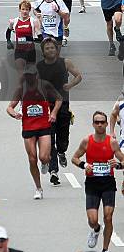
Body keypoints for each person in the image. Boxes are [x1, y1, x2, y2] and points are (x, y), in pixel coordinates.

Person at [71, 110, 124, 252]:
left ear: (107, 124)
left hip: (108, 183)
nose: (100, 124)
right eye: (97, 122)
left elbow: (123, 160)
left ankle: (105, 251)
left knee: (108, 216)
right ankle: (95, 229)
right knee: (93, 219)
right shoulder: (86, 141)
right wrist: (84, 165)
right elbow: (74, 158)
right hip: (92, 184)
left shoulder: (112, 142)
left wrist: (118, 165)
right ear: (93, 124)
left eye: (102, 122)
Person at [7, 68, 62, 199]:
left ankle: (45, 163)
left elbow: (59, 98)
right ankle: (38, 188)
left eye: (31, 75)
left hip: (44, 126)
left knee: (43, 157)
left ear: (36, 75)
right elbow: (9, 107)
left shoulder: (44, 85)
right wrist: (14, 114)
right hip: (28, 127)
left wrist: (53, 113)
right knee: (32, 159)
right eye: (27, 76)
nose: (29, 78)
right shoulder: (21, 89)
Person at [37, 37, 82, 185]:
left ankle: (62, 152)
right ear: (43, 51)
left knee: (63, 139)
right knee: (50, 140)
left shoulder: (65, 62)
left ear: (56, 49)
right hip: (46, 106)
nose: (50, 50)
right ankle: (54, 171)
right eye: (47, 48)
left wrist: (70, 85)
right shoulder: (39, 66)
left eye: (52, 48)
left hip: (63, 105)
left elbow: (79, 76)